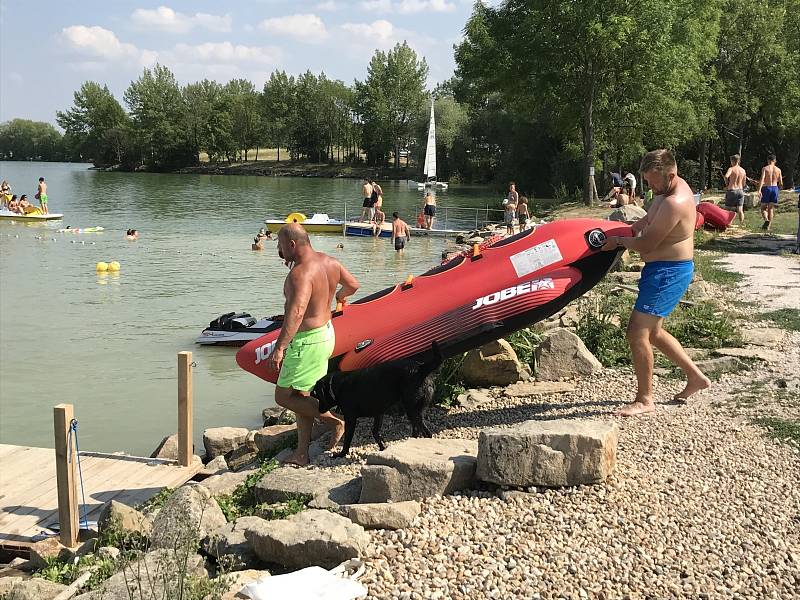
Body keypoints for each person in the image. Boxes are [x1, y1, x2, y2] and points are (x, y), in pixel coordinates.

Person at [601, 149, 710, 416]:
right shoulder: (664, 192)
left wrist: (618, 242)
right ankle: (696, 378)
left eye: (653, 181)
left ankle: (645, 399)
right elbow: (649, 220)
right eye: (647, 180)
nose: (649, 186)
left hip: (668, 273)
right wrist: (627, 229)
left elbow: (648, 244)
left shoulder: (677, 201)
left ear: (670, 175)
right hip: (659, 270)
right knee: (655, 332)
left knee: (637, 331)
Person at [270, 223, 360, 465]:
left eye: (279, 245)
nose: (278, 250)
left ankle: (337, 421)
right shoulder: (330, 262)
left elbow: (297, 311)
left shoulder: (300, 273)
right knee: (301, 394)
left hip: (306, 341)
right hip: (326, 334)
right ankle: (302, 453)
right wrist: (339, 298)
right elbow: (353, 285)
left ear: (292, 244)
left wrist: (280, 347)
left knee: (283, 396)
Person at [757, 154, 783, 231]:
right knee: (770, 209)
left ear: (768, 160)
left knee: (763, 208)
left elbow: (762, 179)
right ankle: (768, 227)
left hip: (766, 188)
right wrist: (778, 190)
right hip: (775, 188)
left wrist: (759, 189)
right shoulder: (778, 170)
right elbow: (781, 183)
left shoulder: (765, 168)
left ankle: (766, 220)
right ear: (775, 161)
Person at [723, 154, 747, 226]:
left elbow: (726, 176)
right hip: (740, 190)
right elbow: (744, 182)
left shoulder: (731, 169)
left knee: (727, 209)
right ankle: (742, 224)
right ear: (738, 161)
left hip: (732, 190)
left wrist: (727, 184)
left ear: (732, 161)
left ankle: (727, 223)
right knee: (740, 209)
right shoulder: (743, 170)